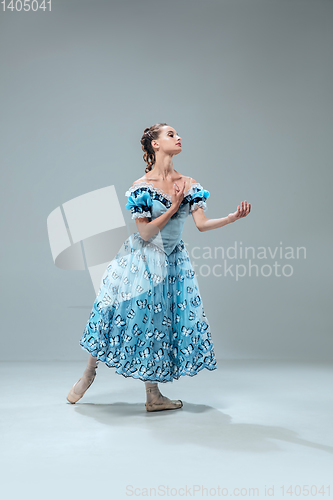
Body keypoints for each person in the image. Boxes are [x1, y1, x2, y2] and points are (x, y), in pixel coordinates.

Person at [67, 122, 251, 411]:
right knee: (112, 311)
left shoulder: (189, 184)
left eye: (177, 134)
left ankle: (153, 395)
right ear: (155, 144)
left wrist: (230, 218)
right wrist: (174, 206)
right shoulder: (141, 188)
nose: (178, 137)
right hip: (141, 259)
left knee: (158, 322)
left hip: (173, 262)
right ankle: (89, 373)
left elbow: (201, 225)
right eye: (170, 134)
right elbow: (145, 233)